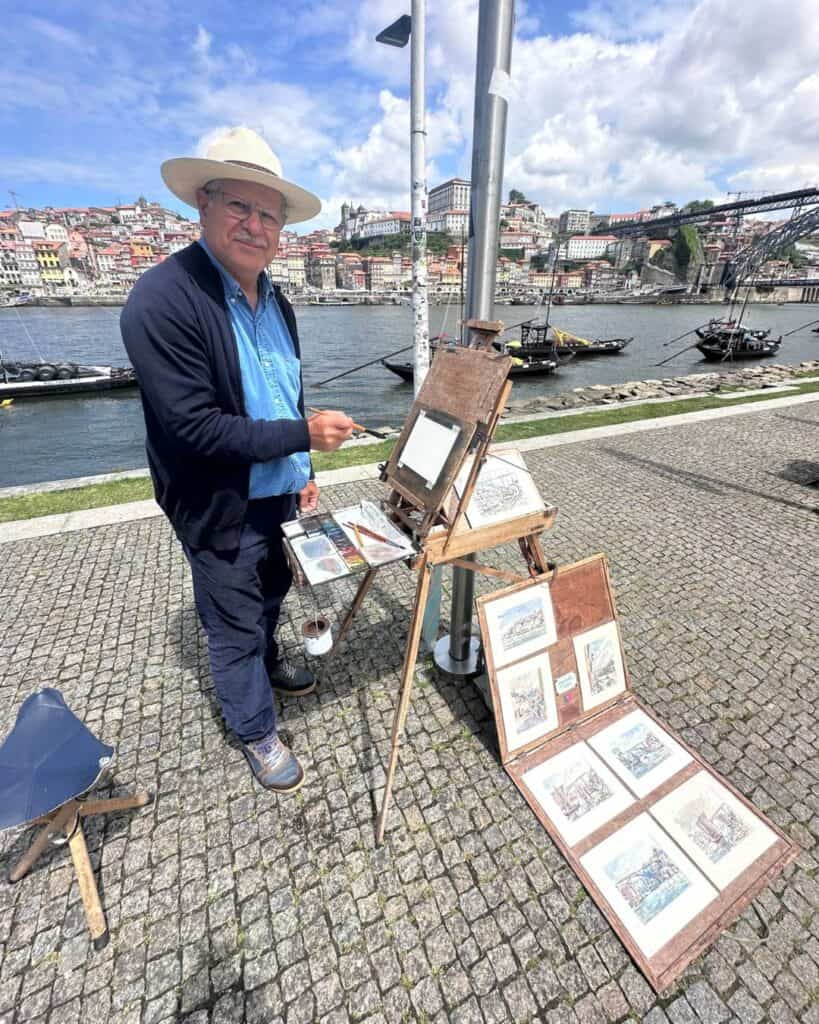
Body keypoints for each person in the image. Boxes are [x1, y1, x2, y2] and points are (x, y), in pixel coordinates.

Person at [121, 126, 354, 793]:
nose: (255, 225)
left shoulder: (276, 297)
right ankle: (255, 729)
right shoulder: (160, 299)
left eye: (268, 214)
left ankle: (269, 656)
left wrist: (304, 470)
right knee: (228, 617)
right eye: (239, 208)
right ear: (203, 204)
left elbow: (288, 392)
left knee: (273, 591)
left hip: (277, 489)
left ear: (281, 228)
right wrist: (303, 437)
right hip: (215, 501)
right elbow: (196, 430)